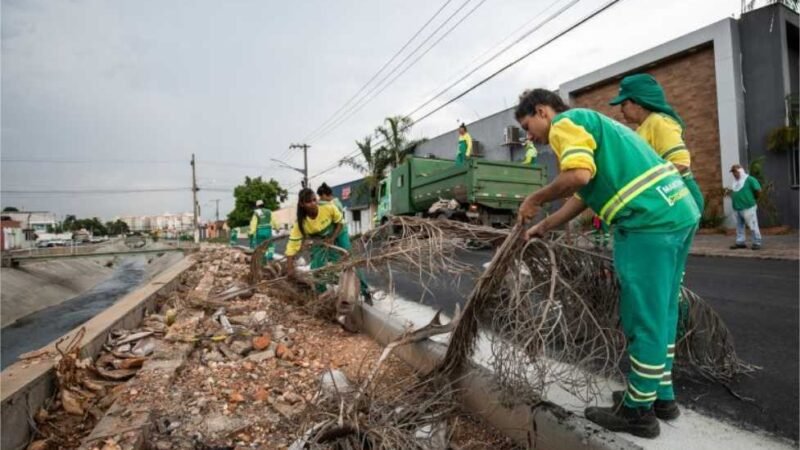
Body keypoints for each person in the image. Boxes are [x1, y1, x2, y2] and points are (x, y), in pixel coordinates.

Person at [515, 89, 700, 439]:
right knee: (664, 311)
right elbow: (583, 193)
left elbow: (579, 175)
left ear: (542, 111)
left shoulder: (565, 124)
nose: (529, 136)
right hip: (679, 213)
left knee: (642, 315)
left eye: (527, 126)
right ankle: (660, 396)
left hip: (649, 223)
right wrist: (543, 227)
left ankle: (638, 413)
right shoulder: (593, 124)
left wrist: (535, 198)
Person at [610, 73, 704, 214]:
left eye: (624, 104)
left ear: (639, 102)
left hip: (681, 199)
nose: (621, 110)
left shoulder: (658, 122)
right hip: (667, 201)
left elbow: (681, 163)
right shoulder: (642, 128)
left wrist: (641, 189)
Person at [285, 188, 371, 303]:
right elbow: (292, 245)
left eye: (314, 200)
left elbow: (340, 223)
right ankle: (323, 296)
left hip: (338, 231)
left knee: (349, 259)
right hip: (321, 239)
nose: (313, 203)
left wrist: (332, 238)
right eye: (309, 202)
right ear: (302, 204)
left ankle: (365, 291)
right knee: (316, 268)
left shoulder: (327, 207)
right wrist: (290, 268)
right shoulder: (301, 223)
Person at [727, 164, 762, 250]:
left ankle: (757, 242)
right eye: (733, 172)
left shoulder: (749, 179)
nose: (734, 174)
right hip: (737, 208)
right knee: (739, 226)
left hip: (748, 207)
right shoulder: (735, 182)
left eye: (735, 171)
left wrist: (754, 199)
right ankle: (740, 242)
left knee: (753, 225)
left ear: (740, 171)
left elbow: (758, 190)